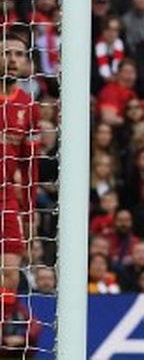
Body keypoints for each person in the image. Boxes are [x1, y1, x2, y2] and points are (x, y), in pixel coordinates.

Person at [0, 31, 39, 311]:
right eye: (6, 53)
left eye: (18, 54)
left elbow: (30, 167)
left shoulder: (28, 105)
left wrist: (29, 212)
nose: (12, 60)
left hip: (6, 199)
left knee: (11, 274)